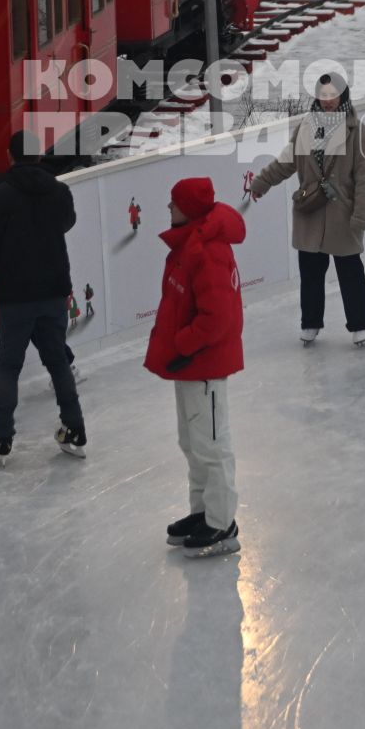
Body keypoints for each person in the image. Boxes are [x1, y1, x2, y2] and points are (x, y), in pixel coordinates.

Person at [144, 178, 246, 559]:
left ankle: (222, 523)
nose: (168, 208)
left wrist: (182, 344)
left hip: (203, 364)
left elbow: (217, 317)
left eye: (174, 203)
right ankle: (203, 512)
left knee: (212, 446)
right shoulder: (189, 242)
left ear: (189, 207)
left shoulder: (206, 249)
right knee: (193, 443)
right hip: (188, 364)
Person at [0, 132, 86, 463]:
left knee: (8, 366)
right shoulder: (60, 192)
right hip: (53, 291)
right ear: (39, 156)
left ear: (9, 156)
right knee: (58, 362)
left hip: (14, 297)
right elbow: (67, 223)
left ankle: (3, 437)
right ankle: (75, 429)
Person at [249, 74, 365, 345]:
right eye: (323, 95)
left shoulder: (357, 130)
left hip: (343, 212)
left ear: (343, 95)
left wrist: (362, 214)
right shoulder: (306, 127)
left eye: (333, 95)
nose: (328, 101)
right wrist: (261, 182)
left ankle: (360, 324)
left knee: (350, 271)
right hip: (311, 210)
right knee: (311, 273)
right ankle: (311, 323)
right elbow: (286, 161)